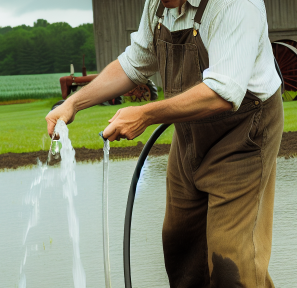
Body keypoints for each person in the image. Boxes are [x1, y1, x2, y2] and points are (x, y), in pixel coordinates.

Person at [46, 0, 283, 286]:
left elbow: (224, 91)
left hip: (243, 136)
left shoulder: (234, 5)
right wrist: (73, 104)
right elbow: (135, 62)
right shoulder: (158, 6)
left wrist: (145, 115)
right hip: (188, 137)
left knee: (230, 260)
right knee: (181, 246)